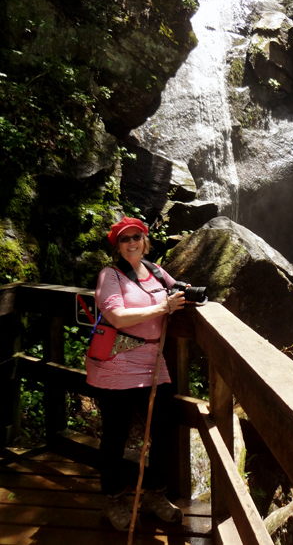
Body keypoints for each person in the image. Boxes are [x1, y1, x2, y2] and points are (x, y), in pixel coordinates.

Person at [86, 216, 186, 532]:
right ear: (118, 246)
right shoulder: (110, 275)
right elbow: (116, 316)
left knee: (168, 429)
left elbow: (176, 291)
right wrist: (163, 309)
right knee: (116, 436)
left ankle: (155, 494)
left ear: (145, 241)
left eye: (137, 237)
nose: (132, 243)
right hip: (116, 366)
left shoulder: (156, 271)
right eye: (125, 239)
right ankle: (114, 499)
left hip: (153, 364)